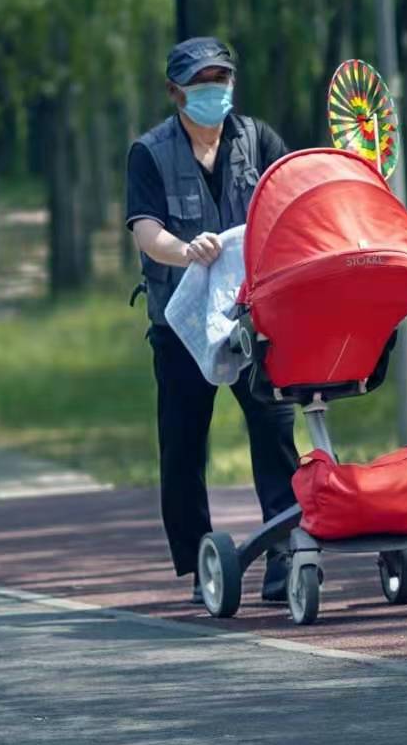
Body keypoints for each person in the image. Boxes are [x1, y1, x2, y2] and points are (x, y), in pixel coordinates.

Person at [126, 36, 299, 604]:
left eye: (221, 80)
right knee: (182, 449)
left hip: (255, 320)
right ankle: (200, 558)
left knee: (275, 434)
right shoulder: (149, 153)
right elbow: (145, 232)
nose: (214, 91)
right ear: (176, 92)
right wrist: (183, 250)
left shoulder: (259, 140)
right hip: (183, 324)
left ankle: (284, 551)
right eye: (201, 83)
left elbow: (290, 207)